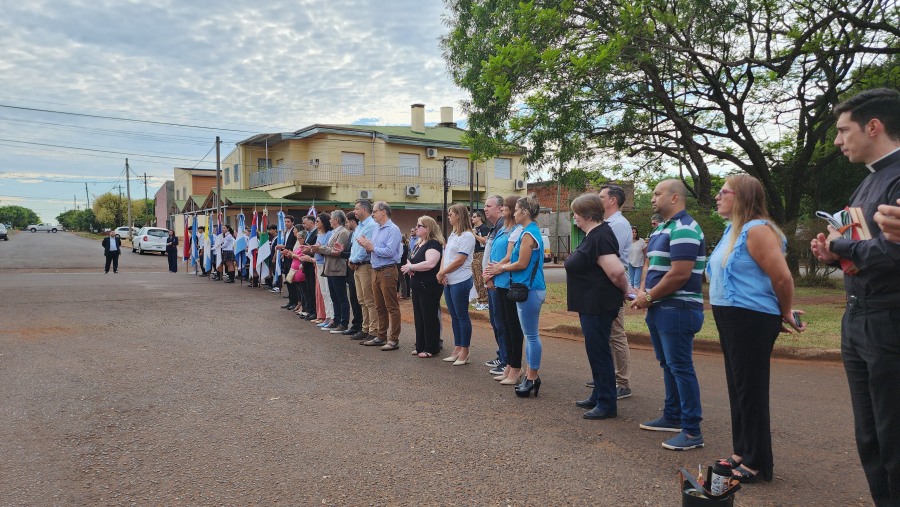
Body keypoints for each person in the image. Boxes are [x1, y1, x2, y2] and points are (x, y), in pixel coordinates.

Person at [810, 88, 900, 506]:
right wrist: (832, 252)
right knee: (869, 437)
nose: (837, 140)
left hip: (888, 319)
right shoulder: (868, 183)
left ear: (874, 126)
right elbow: (869, 251)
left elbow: (892, 253)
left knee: (893, 435)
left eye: (844, 130)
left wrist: (841, 246)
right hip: (858, 317)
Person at [709, 174, 804, 483]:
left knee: (750, 388)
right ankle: (742, 450)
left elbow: (783, 279)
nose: (718, 197)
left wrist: (784, 311)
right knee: (738, 386)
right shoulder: (732, 230)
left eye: (724, 192)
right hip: (731, 315)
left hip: (750, 318)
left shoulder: (758, 231)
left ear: (743, 197)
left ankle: (757, 461)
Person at [632, 179, 706, 451]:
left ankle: (692, 430)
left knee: (681, 366)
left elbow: (680, 274)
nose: (652, 198)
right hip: (660, 307)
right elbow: (651, 265)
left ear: (675, 198)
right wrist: (643, 292)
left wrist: (649, 296)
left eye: (657, 193)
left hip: (678, 308)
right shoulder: (664, 227)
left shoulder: (685, 228)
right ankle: (672, 416)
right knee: (668, 365)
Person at [565, 193, 632, 420]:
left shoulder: (600, 235)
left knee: (600, 352)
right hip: (592, 304)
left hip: (599, 304)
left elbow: (615, 271)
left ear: (585, 214)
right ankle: (599, 394)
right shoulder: (594, 234)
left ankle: (606, 403)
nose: (574, 218)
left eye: (575, 213)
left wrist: (627, 291)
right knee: (596, 351)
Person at [493, 195, 545, 398]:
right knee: (529, 334)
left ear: (525, 211)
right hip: (528, 287)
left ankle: (532, 377)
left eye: (516, 210)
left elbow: (522, 263)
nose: (513, 213)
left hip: (530, 288)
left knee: (531, 335)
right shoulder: (526, 232)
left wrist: (502, 267)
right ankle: (530, 377)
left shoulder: (528, 234)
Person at [596, 184, 634, 400]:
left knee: (617, 334)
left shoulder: (618, 224)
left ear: (613, 200)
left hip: (613, 284)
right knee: (606, 333)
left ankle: (623, 382)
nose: (598, 199)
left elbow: (610, 257)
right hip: (603, 285)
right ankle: (608, 375)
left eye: (602, 196)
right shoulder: (609, 223)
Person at [486, 195, 525, 386]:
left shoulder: (518, 230)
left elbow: (510, 256)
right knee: (504, 324)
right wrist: (491, 274)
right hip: (499, 280)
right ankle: (509, 364)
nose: (502, 211)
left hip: (508, 280)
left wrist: (493, 271)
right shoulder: (504, 228)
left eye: (506, 209)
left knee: (512, 326)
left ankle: (515, 366)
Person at [357, 201, 402, 351]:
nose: (373, 214)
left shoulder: (393, 229)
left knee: (391, 307)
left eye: (375, 211)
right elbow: (375, 248)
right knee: (379, 306)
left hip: (388, 270)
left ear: (383, 212)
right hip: (376, 270)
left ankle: (393, 339)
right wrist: (366, 244)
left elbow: (389, 251)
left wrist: (372, 247)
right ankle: (381, 336)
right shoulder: (376, 228)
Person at [437, 203, 476, 365]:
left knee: (462, 315)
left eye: (451, 214)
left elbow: (460, 260)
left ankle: (465, 350)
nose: (448, 217)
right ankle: (457, 347)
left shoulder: (467, 236)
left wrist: (443, 272)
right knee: (454, 316)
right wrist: (442, 272)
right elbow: (445, 256)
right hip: (449, 280)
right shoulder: (454, 234)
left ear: (459, 215)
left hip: (461, 280)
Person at [401, 216, 444, 357]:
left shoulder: (434, 244)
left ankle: (431, 347)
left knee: (429, 316)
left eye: (419, 225)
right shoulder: (419, 243)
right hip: (418, 284)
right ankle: (420, 346)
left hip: (429, 286)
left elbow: (431, 263)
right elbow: (414, 260)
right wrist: (411, 267)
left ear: (427, 229)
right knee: (419, 316)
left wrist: (412, 266)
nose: (416, 227)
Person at [481, 195, 508, 376]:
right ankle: (502, 355)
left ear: (500, 209)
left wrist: (489, 277)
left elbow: (498, 258)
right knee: (495, 321)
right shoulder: (494, 228)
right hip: (490, 281)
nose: (485, 209)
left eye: (488, 206)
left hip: (497, 282)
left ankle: (506, 360)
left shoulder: (503, 227)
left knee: (501, 322)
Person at [348, 200, 379, 341]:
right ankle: (365, 328)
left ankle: (373, 330)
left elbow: (364, 248)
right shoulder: (360, 226)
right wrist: (351, 260)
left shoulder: (371, 226)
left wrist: (354, 260)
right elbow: (355, 247)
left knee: (369, 300)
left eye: (356, 209)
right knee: (361, 299)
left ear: (364, 210)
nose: (354, 211)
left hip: (365, 265)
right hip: (357, 265)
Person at [318, 210, 351, 333]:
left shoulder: (343, 233)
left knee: (341, 297)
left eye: (331, 218)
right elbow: (330, 248)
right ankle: (336, 320)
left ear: (336, 220)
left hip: (338, 268)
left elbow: (336, 251)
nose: (330, 220)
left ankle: (343, 322)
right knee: (334, 297)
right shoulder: (334, 232)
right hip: (330, 268)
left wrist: (320, 249)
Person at [339, 212, 364, 337]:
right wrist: (342, 252)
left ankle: (361, 325)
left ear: (353, 222)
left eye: (348, 222)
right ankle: (356, 324)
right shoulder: (351, 235)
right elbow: (349, 252)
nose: (347, 224)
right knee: (354, 298)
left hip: (358, 266)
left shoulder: (358, 234)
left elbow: (353, 253)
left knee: (361, 300)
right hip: (351, 268)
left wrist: (341, 253)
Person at [312, 213, 335, 328]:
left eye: (318, 221)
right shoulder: (319, 234)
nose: (316, 223)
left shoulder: (330, 234)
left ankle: (332, 317)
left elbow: (327, 248)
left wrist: (317, 248)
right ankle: (327, 316)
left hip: (326, 264)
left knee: (329, 292)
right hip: (319, 263)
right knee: (324, 292)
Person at [297, 215, 318, 319]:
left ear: (311, 222)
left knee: (313, 290)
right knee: (309, 290)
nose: (304, 225)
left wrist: (308, 252)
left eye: (305, 223)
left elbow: (314, 249)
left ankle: (315, 312)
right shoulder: (309, 234)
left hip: (312, 264)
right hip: (307, 265)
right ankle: (311, 310)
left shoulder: (316, 233)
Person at [470, 209, 491, 311]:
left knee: (480, 277)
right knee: (476, 278)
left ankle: (485, 301)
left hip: (480, 254)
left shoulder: (484, 228)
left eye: (474, 217)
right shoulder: (474, 228)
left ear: (479, 217)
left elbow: (485, 240)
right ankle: (479, 299)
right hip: (473, 254)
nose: (472, 218)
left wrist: (475, 235)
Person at [399, 234, 410, 299]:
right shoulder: (406, 246)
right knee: (404, 279)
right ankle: (405, 293)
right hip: (404, 263)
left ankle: (404, 294)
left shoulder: (402, 246)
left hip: (401, 264)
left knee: (402, 279)